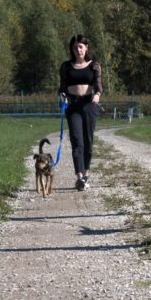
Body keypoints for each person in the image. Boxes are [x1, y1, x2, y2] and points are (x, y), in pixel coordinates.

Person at [58, 34, 104, 191]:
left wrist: (97, 95)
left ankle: (85, 175)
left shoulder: (94, 66)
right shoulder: (66, 66)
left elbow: (98, 85)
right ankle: (79, 178)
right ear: (72, 49)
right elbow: (62, 87)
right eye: (75, 47)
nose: (78, 50)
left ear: (86, 48)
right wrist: (62, 96)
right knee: (77, 141)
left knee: (88, 142)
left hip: (89, 104)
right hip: (72, 105)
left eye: (81, 46)